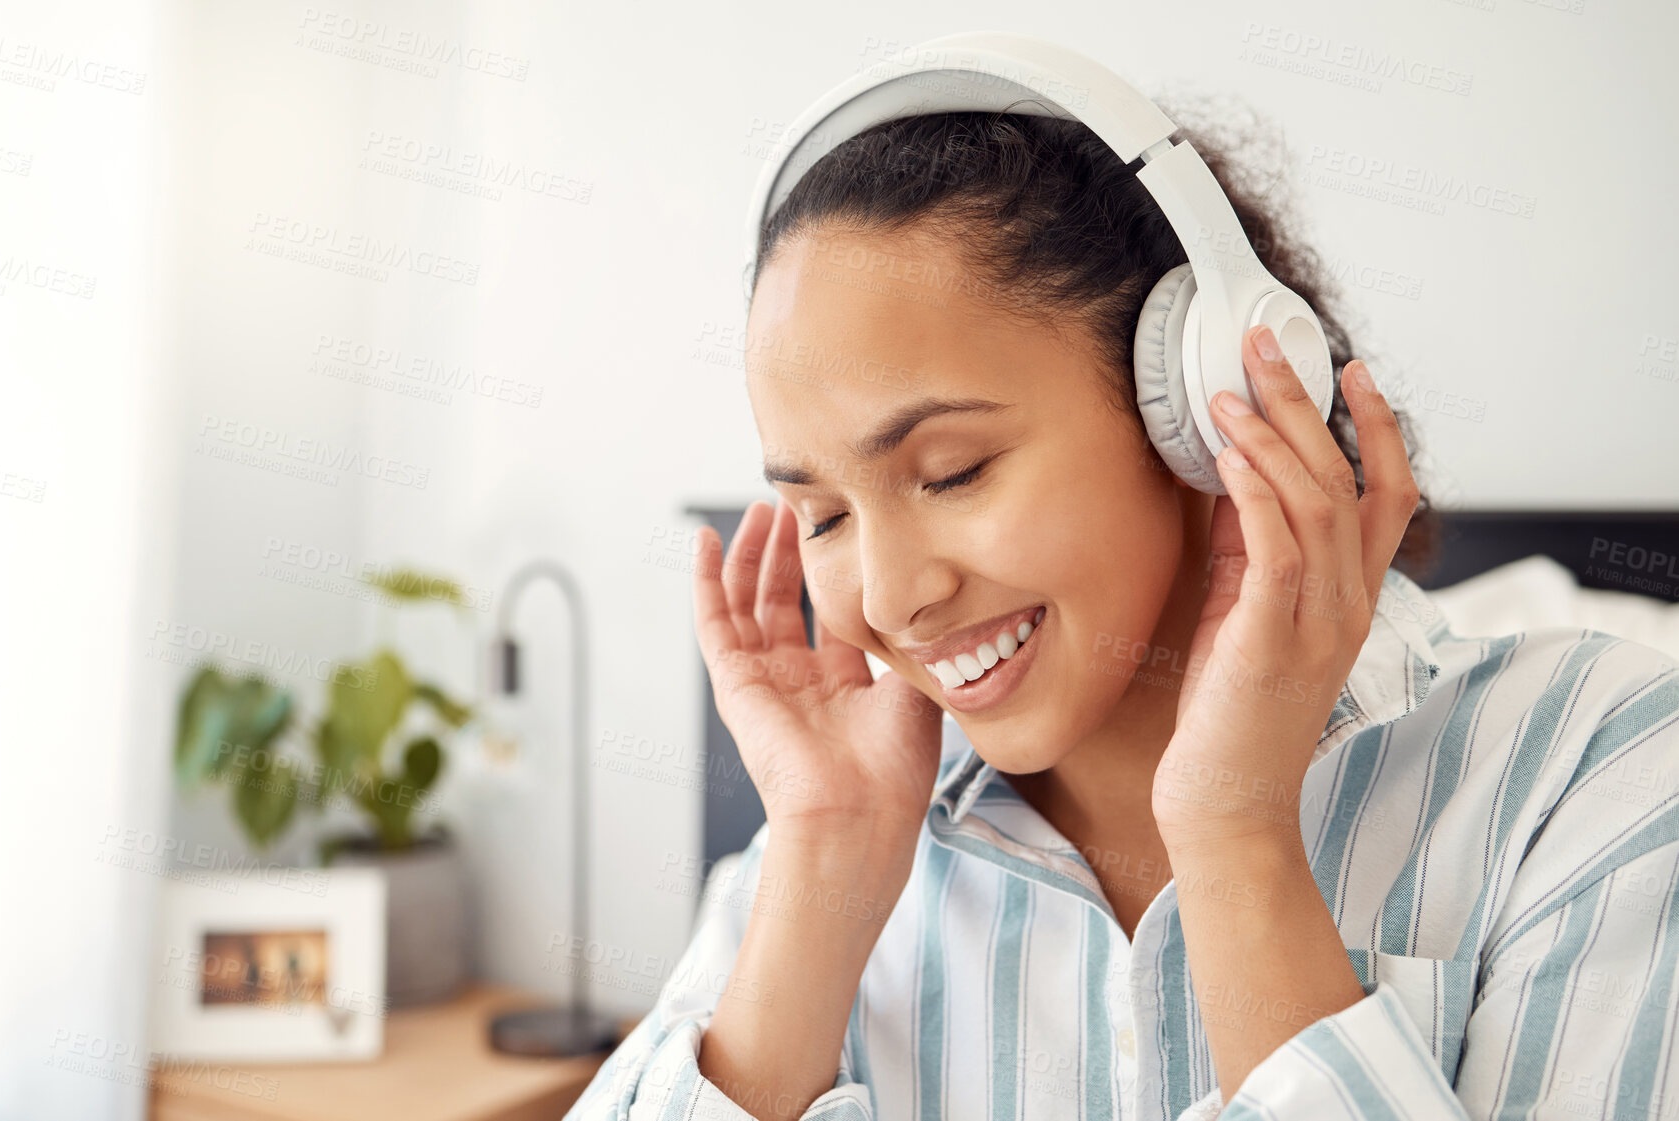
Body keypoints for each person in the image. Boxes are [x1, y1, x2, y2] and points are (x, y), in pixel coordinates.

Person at [565, 105, 1679, 1121]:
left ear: (1203, 411)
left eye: (951, 470)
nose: (890, 598)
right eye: (820, 516)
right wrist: (822, 869)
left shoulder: (1601, 774)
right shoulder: (803, 868)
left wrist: (1238, 837)